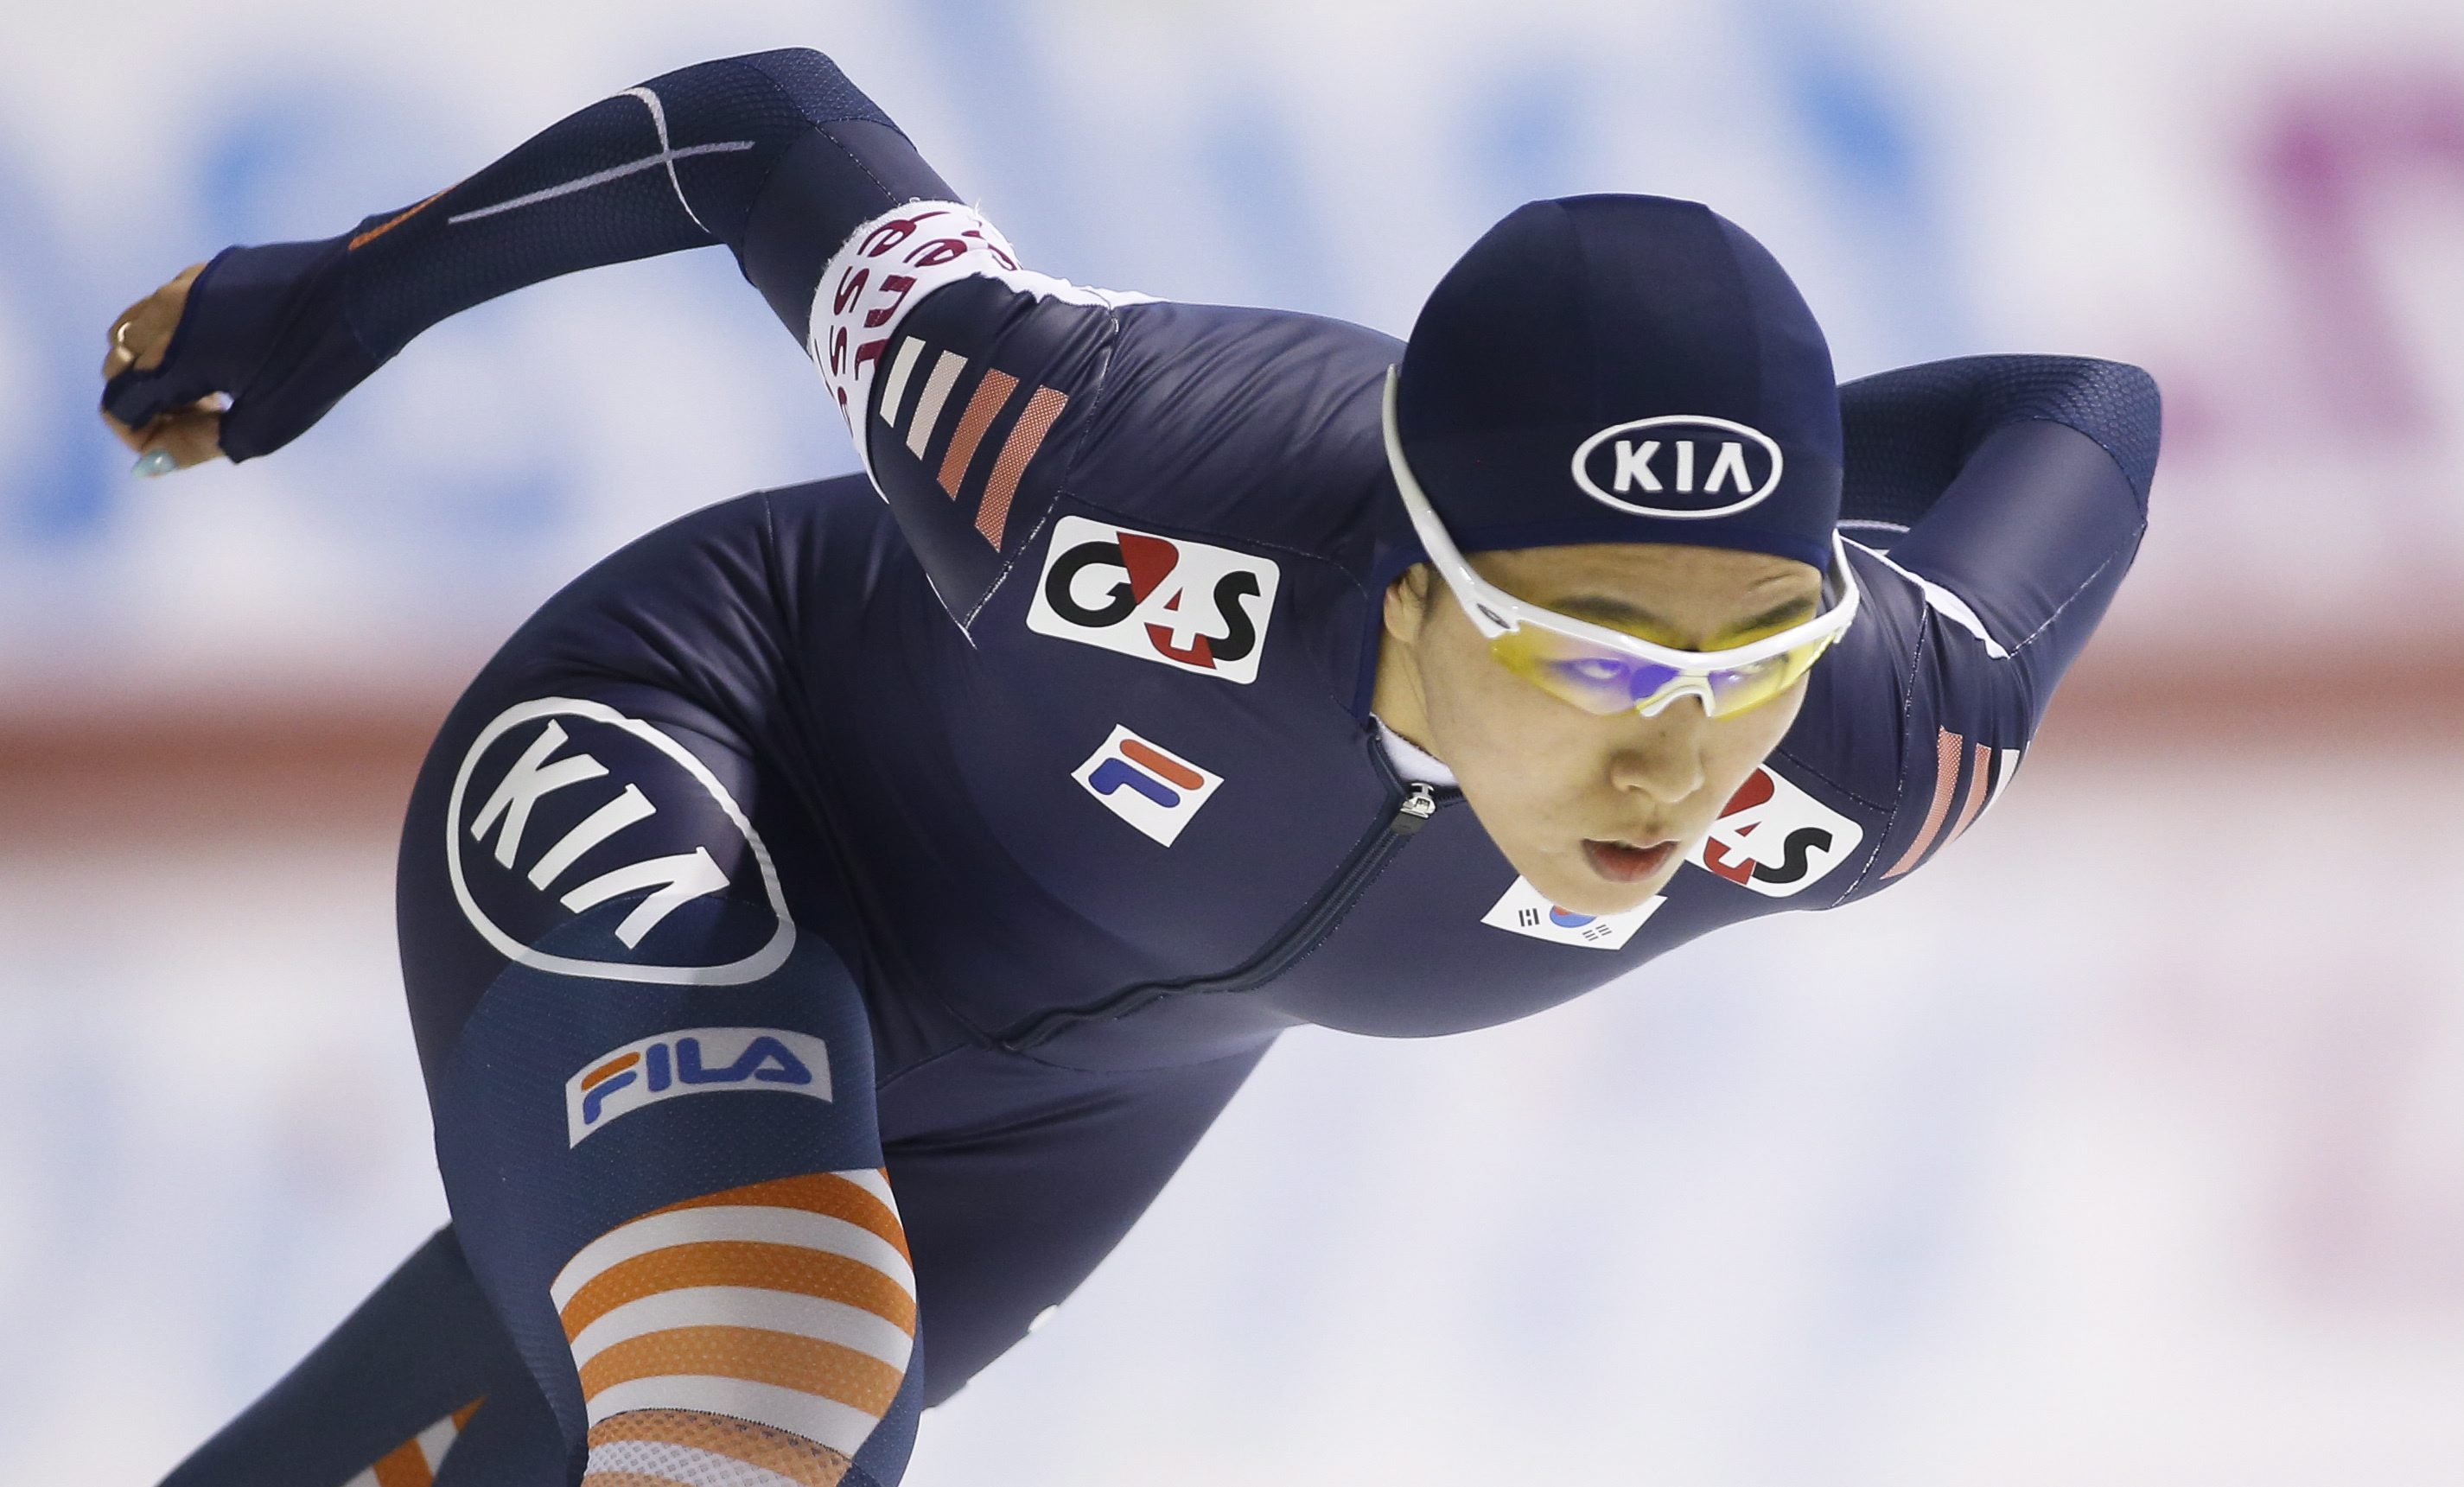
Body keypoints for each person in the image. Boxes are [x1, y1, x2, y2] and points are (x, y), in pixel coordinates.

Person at [100, 47, 2158, 1487]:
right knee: (769, 1392)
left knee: (606, 1441)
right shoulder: (1099, 471)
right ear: (1414, 575)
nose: (1680, 751)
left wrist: (1750, 512)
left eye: (1756, 649)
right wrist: (345, 297)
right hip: (715, 757)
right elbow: (765, 135)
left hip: (1078, 1100)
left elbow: (2087, 400)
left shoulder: (1884, 742)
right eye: (1595, 651)